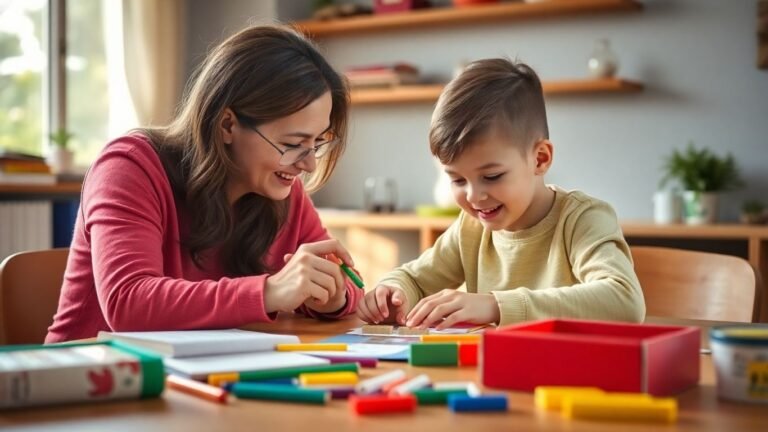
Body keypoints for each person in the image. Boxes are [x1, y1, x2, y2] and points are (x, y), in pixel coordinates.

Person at [46, 25, 363, 343]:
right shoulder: (128, 166)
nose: (308, 164)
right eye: (293, 143)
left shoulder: (281, 190)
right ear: (227, 125)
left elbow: (351, 289)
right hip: (90, 380)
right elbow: (128, 303)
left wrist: (335, 296)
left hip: (204, 376)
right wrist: (268, 292)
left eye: (317, 143)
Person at [356, 58, 645, 330]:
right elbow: (414, 280)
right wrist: (392, 292)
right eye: (457, 179)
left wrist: (496, 305)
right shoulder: (470, 229)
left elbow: (625, 301)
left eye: (491, 176)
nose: (474, 196)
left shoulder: (583, 219)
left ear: (540, 159)